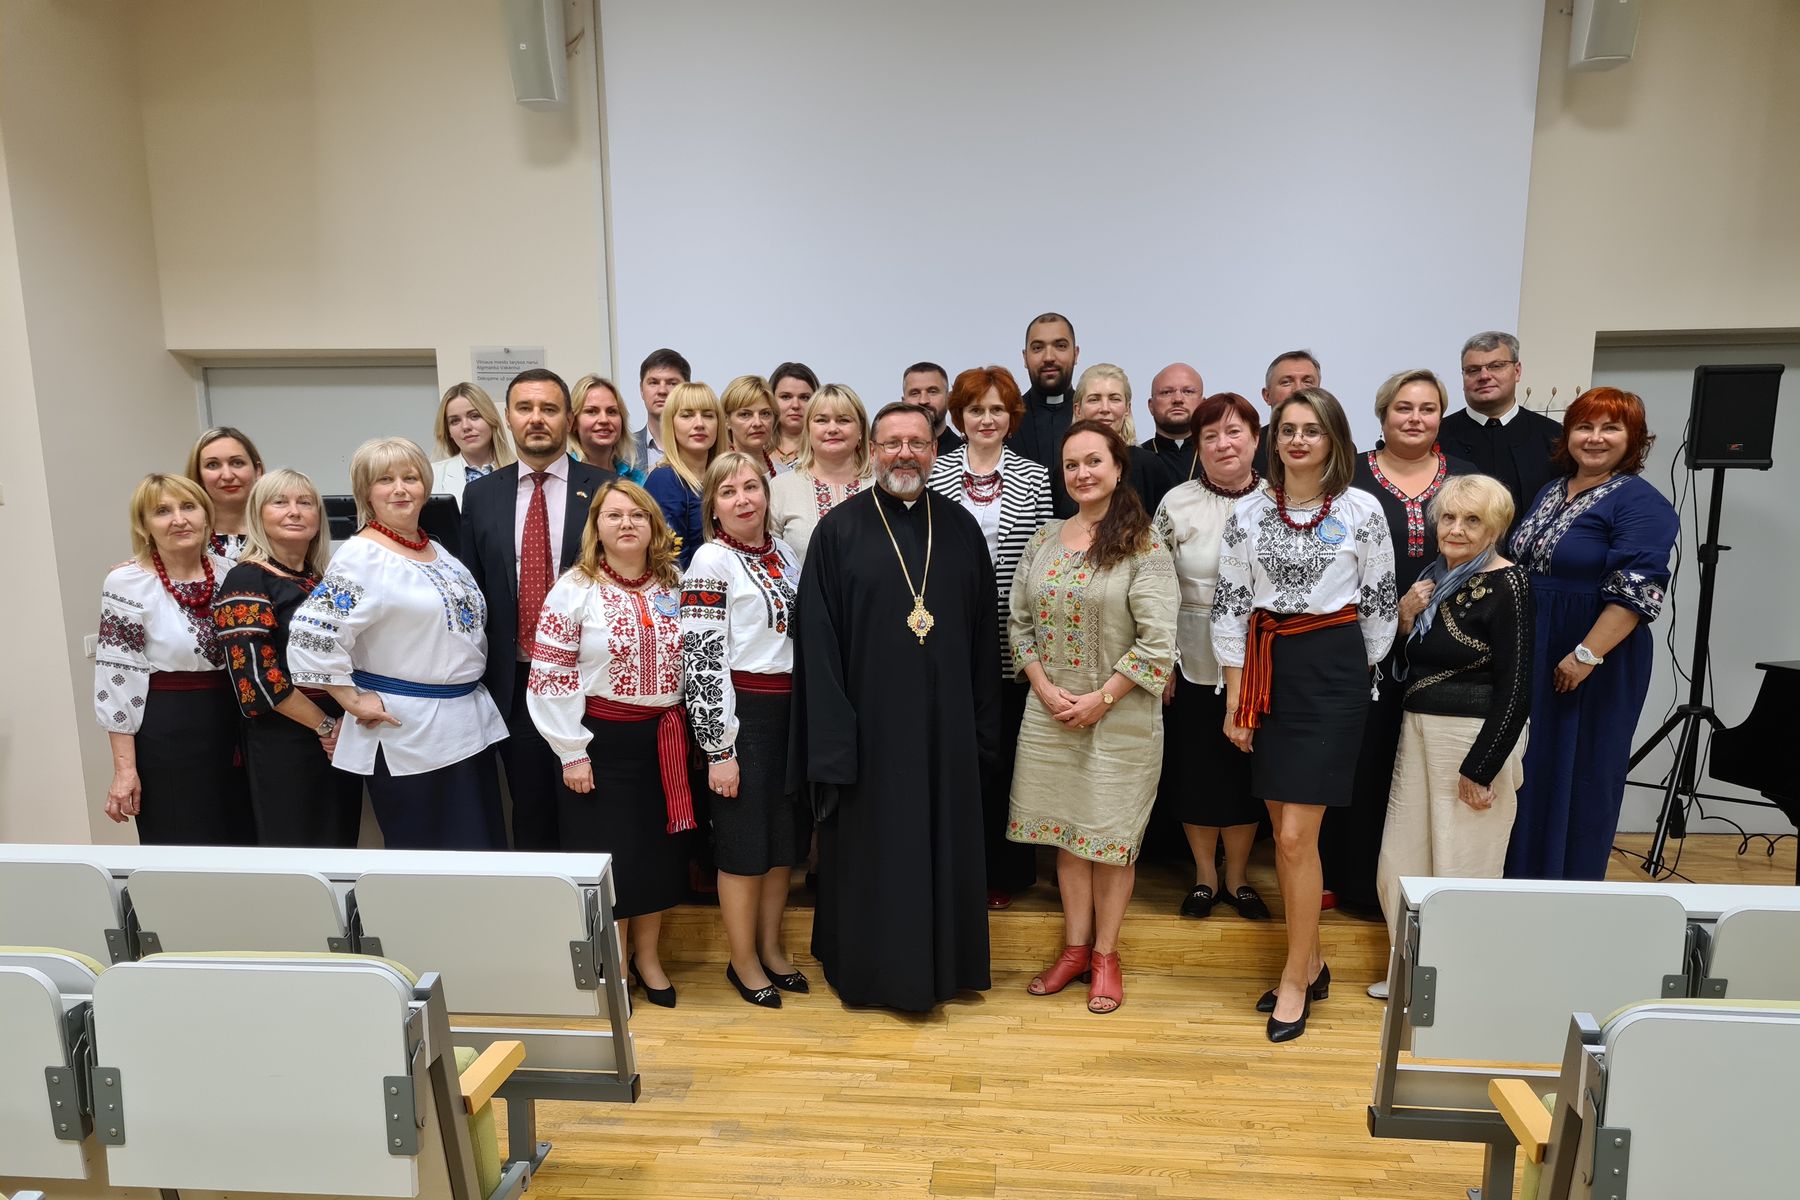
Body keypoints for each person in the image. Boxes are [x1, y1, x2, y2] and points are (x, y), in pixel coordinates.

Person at [792, 402, 999, 1011]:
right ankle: (870, 972)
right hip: (868, 736)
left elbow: (985, 640)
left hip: (945, 733)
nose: (904, 454)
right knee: (873, 856)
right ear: (872, 451)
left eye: (917, 443)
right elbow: (818, 645)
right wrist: (834, 746)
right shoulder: (839, 531)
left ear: (935, 451)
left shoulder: (960, 529)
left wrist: (982, 733)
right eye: (892, 443)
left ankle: (944, 970)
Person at [1213, 387, 1397, 1042]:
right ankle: (1312, 961)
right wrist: (1236, 699)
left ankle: (1295, 978)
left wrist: (1352, 681)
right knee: (1283, 831)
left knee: (1295, 837)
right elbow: (1230, 606)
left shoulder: (1362, 510)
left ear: (1333, 440)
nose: (1297, 440)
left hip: (1334, 672)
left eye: (1311, 430)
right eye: (1287, 429)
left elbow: (1380, 607)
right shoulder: (1248, 513)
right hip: (1267, 671)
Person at [1008, 421, 1177, 1014]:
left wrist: (1100, 699)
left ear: (1118, 467)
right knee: (1068, 837)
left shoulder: (1144, 545)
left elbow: (1158, 642)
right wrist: (1043, 688)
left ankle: (1106, 955)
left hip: (1120, 719)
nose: (1082, 473)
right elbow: (1019, 625)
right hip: (1049, 714)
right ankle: (1075, 950)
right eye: (1072, 464)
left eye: (1093, 461)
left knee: (1110, 843)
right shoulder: (1044, 539)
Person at [288, 437, 508, 849]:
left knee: (479, 853)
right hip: (408, 734)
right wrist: (352, 700)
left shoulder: (439, 551)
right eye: (385, 480)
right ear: (366, 492)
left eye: (410, 478)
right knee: (429, 857)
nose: (401, 489)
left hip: (465, 726)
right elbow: (310, 635)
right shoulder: (362, 558)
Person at [527, 480, 698, 1007]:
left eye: (637, 515)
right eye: (614, 515)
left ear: (654, 525)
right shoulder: (574, 589)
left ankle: (649, 957)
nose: (627, 524)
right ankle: (615, 963)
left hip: (665, 741)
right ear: (596, 527)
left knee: (657, 857)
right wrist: (571, 751)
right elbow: (550, 674)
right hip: (600, 744)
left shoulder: (676, 583)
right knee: (615, 862)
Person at [1369, 474, 1532, 998]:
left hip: (1471, 739)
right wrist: (1404, 617)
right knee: (1401, 862)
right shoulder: (1432, 579)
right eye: (1448, 517)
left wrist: (1482, 767)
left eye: (1472, 520)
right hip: (1417, 730)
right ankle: (1412, 977)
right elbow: (1409, 658)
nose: (1456, 529)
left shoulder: (1510, 583)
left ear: (1495, 529)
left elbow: (1517, 684)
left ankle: (1461, 989)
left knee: (1463, 865)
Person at [1322, 369, 1476, 919]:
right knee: (1362, 756)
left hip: (1444, 644)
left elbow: (1485, 556)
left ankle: (1415, 887)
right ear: (1382, 414)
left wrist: (1422, 615)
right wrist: (1391, 616)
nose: (1415, 418)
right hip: (1360, 639)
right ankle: (1348, 879)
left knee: (1418, 764)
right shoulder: (1349, 474)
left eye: (1427, 409)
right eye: (1403, 408)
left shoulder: (1466, 477)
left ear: (1441, 416)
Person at [1507, 387, 1678, 881]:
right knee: (1531, 766)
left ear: (1634, 438)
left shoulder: (1642, 502)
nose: (1595, 438)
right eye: (1584, 426)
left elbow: (1638, 590)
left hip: (1592, 656)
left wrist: (1585, 655)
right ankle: (1516, 881)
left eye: (1611, 428)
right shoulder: (1552, 490)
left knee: (1580, 770)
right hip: (1535, 645)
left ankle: (1568, 885)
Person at [460, 368, 615, 851]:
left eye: (549, 409)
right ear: (507, 418)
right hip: (515, 682)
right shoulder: (481, 494)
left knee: (592, 807)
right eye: (524, 408)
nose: (536, 419)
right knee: (530, 811)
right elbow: (472, 590)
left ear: (569, 418)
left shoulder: (605, 488)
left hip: (589, 679)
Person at [681, 453, 808, 1007]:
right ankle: (743, 961)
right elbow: (701, 659)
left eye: (751, 487)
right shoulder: (710, 561)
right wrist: (719, 748)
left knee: (782, 846)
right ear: (713, 505)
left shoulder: (784, 553)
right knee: (743, 846)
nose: (743, 499)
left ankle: (772, 948)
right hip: (742, 715)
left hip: (790, 714)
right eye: (728, 491)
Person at [925, 365, 1053, 910]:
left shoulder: (1036, 476)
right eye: (976, 409)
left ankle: (1002, 872)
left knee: (1003, 758)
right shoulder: (935, 473)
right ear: (959, 416)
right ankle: (953, 867)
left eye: (997, 409)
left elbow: (1043, 559)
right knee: (956, 757)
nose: (986, 419)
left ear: (1011, 416)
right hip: (948, 636)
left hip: (1012, 639)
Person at [1151, 393, 1270, 922]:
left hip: (1260, 659)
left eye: (1234, 432)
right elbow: (1153, 585)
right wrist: (1164, 661)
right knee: (1196, 768)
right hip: (1190, 654)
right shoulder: (1176, 502)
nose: (1224, 444)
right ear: (1198, 447)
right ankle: (1204, 875)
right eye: (1211, 436)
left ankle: (1238, 876)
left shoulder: (1280, 501)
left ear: (1256, 439)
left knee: (1245, 772)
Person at [95, 474, 253, 844]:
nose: (179, 519)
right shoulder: (127, 583)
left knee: (245, 842)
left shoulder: (234, 573)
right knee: (182, 842)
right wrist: (125, 770)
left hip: (239, 729)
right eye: (162, 511)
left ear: (206, 515)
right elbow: (117, 679)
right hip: (168, 733)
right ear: (144, 525)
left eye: (188, 507)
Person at [214, 469, 362, 847]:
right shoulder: (246, 580)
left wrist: (343, 724)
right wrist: (326, 728)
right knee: (300, 851)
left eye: (305, 502)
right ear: (258, 514)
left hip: (340, 733)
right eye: (280, 502)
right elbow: (256, 681)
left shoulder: (321, 580)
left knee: (342, 846)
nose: (294, 511)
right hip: (287, 739)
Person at [1439, 332, 1561, 535]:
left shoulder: (1554, 436)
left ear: (1517, 371)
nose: (1484, 376)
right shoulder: (1437, 436)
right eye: (1473, 370)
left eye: (1496, 366)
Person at [766, 383, 871, 563]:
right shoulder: (781, 487)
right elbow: (768, 558)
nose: (832, 429)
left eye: (843, 420)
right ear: (808, 429)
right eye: (822, 420)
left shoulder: (880, 486)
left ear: (860, 430)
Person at [645, 381, 724, 570]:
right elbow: (672, 564)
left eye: (708, 415)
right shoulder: (664, 480)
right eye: (687, 415)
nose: (699, 424)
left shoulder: (727, 477)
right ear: (671, 424)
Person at [1009, 312, 1080, 517]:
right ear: (1025, 357)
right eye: (1038, 348)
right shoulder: (1004, 420)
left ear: (1076, 354)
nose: (1049, 357)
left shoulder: (1095, 418)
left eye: (1060, 346)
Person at [1073, 363, 1169, 512]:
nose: (1105, 408)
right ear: (1078, 410)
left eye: (1114, 399)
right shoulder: (1066, 470)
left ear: (1127, 409)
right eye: (1094, 399)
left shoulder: (1150, 466)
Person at [185, 427, 265, 562]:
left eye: (237, 463)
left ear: (258, 470)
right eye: (212, 465)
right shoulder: (184, 535)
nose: (227, 476)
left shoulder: (282, 529)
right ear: (199, 476)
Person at [429, 382, 515, 504]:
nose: (465, 426)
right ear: (448, 431)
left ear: (491, 420)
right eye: (455, 421)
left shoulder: (522, 472)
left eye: (474, 416)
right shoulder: (432, 476)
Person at [1252, 350, 1322, 476]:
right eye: (1286, 382)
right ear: (1267, 396)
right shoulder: (1249, 449)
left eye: (1307, 382)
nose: (1298, 390)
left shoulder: (1339, 448)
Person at [570, 374, 644, 483]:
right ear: (573, 422)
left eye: (611, 411)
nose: (604, 420)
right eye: (592, 411)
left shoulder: (637, 479)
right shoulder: (564, 476)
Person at [1141, 362, 1205, 488]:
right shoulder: (1133, 459)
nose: (1177, 399)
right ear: (1151, 406)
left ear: (1203, 404)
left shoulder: (1219, 455)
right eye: (1166, 392)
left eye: (1188, 391)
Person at [631, 348, 691, 475]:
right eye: (653, 383)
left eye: (672, 383)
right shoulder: (623, 450)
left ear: (686, 390)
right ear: (641, 390)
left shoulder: (702, 446)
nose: (662, 391)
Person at [721, 374, 779, 474]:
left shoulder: (785, 473)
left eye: (765, 413)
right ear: (727, 420)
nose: (757, 423)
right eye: (745, 414)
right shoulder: (717, 472)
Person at [768, 361, 819, 473]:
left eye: (804, 398)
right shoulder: (756, 450)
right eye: (786, 397)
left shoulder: (826, 452)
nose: (795, 405)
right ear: (771, 400)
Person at [903, 361, 960, 456]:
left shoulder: (967, 456)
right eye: (915, 393)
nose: (923, 401)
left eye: (932, 392)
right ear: (903, 402)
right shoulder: (886, 453)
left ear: (948, 399)